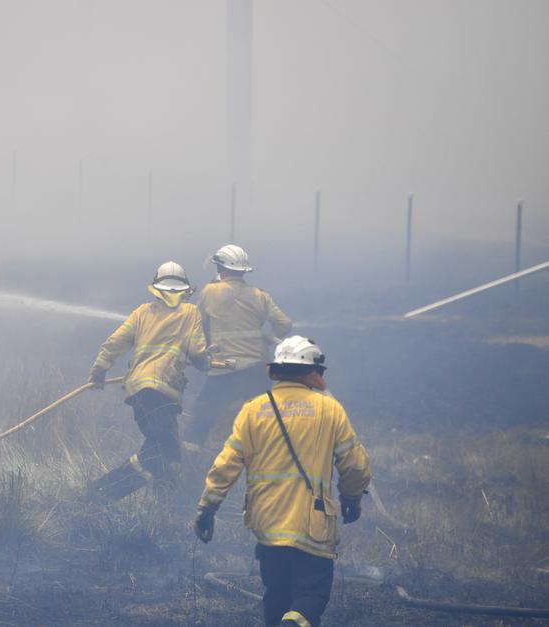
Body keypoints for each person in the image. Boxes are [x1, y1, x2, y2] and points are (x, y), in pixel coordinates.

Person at [192, 336, 371, 627]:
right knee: (311, 596)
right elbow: (355, 465)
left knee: (277, 594)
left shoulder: (253, 409)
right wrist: (352, 499)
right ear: (313, 372)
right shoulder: (329, 409)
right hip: (311, 523)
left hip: (267, 523)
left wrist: (207, 508)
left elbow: (226, 464)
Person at [88, 261, 211, 502]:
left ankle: (164, 506)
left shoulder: (141, 312)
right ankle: (102, 492)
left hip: (140, 391)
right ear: (184, 290)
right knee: (164, 453)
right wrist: (205, 363)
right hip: (161, 390)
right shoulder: (190, 312)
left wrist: (99, 371)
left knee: (165, 450)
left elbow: (115, 342)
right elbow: (197, 351)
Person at [182, 244, 292, 451]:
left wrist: (196, 353)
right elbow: (284, 323)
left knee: (200, 420)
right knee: (267, 423)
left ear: (220, 269)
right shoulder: (260, 296)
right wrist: (269, 338)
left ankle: (189, 466)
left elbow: (198, 324)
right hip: (257, 370)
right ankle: (276, 460)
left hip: (223, 370)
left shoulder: (209, 292)